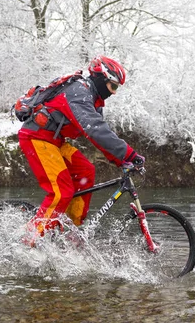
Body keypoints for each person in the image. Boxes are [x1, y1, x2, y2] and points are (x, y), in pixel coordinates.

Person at [18, 55, 145, 246]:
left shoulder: (92, 99)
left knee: (86, 171)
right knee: (61, 191)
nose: (114, 92)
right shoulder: (79, 92)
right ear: (102, 78)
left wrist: (122, 161)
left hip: (54, 141)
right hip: (36, 137)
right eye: (113, 86)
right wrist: (129, 154)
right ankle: (30, 242)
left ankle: (70, 233)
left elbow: (98, 136)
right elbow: (96, 129)